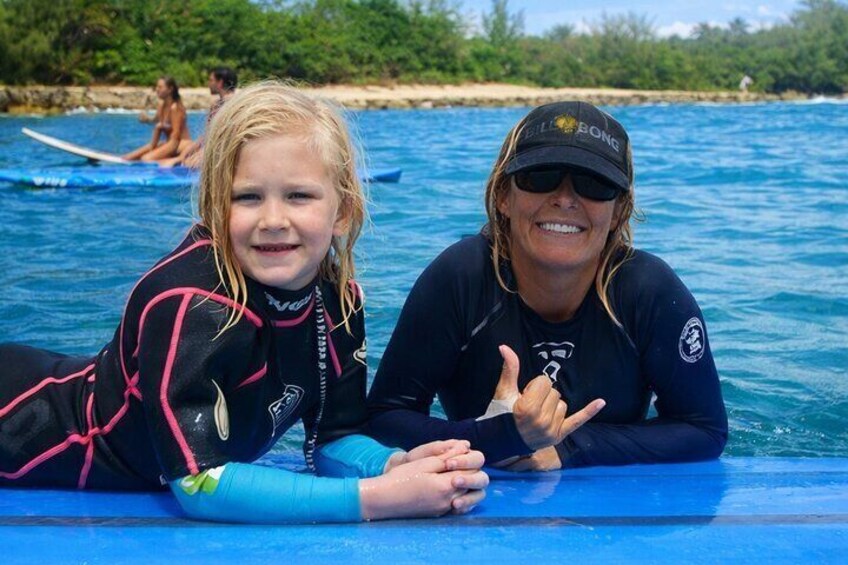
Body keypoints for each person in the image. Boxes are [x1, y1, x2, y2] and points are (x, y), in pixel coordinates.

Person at [0, 82, 488, 523]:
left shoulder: (339, 302)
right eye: (247, 197)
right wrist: (377, 499)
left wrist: (397, 464)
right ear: (215, 207)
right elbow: (200, 482)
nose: (273, 220)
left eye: (299, 196)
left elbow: (334, 440)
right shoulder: (188, 303)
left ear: (344, 211)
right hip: (22, 420)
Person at [367, 101, 728, 471]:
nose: (565, 199)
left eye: (594, 184)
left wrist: (569, 448)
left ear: (619, 210)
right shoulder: (460, 278)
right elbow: (383, 417)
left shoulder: (649, 291)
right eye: (540, 177)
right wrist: (495, 437)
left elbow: (705, 429)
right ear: (503, 196)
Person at [160, 67, 238, 169]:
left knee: (187, 165)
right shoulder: (217, 105)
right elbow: (206, 136)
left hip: (227, 151)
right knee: (184, 162)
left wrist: (186, 158)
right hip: (216, 149)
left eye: (211, 80)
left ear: (220, 82)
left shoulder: (232, 104)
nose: (208, 84)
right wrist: (182, 157)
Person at [123, 76, 192, 162]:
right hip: (169, 142)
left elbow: (176, 133)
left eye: (160, 87)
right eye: (156, 87)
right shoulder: (161, 106)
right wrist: (147, 119)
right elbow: (157, 121)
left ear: (170, 89)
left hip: (180, 144)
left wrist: (159, 150)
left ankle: (168, 160)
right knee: (130, 157)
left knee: (146, 158)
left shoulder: (175, 107)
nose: (157, 89)